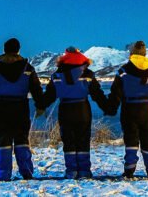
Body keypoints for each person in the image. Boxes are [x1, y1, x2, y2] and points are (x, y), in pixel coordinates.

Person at [0, 37, 44, 181]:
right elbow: (36, 90)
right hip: (21, 108)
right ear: (18, 50)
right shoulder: (28, 69)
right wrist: (40, 106)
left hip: (2, 109)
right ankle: (26, 171)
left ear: (4, 50)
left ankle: (3, 174)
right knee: (22, 139)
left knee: (4, 140)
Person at [104, 40, 148, 178]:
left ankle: (129, 170)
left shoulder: (123, 71)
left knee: (131, 140)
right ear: (144, 53)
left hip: (129, 109)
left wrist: (111, 108)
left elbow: (115, 93)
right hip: (147, 109)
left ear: (132, 53)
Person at [38, 46, 108, 179]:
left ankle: (71, 171)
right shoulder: (88, 74)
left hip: (65, 109)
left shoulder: (57, 75)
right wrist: (108, 107)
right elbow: (97, 94)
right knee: (83, 139)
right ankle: (84, 171)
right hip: (83, 109)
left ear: (65, 57)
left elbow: (49, 96)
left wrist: (40, 106)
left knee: (68, 140)